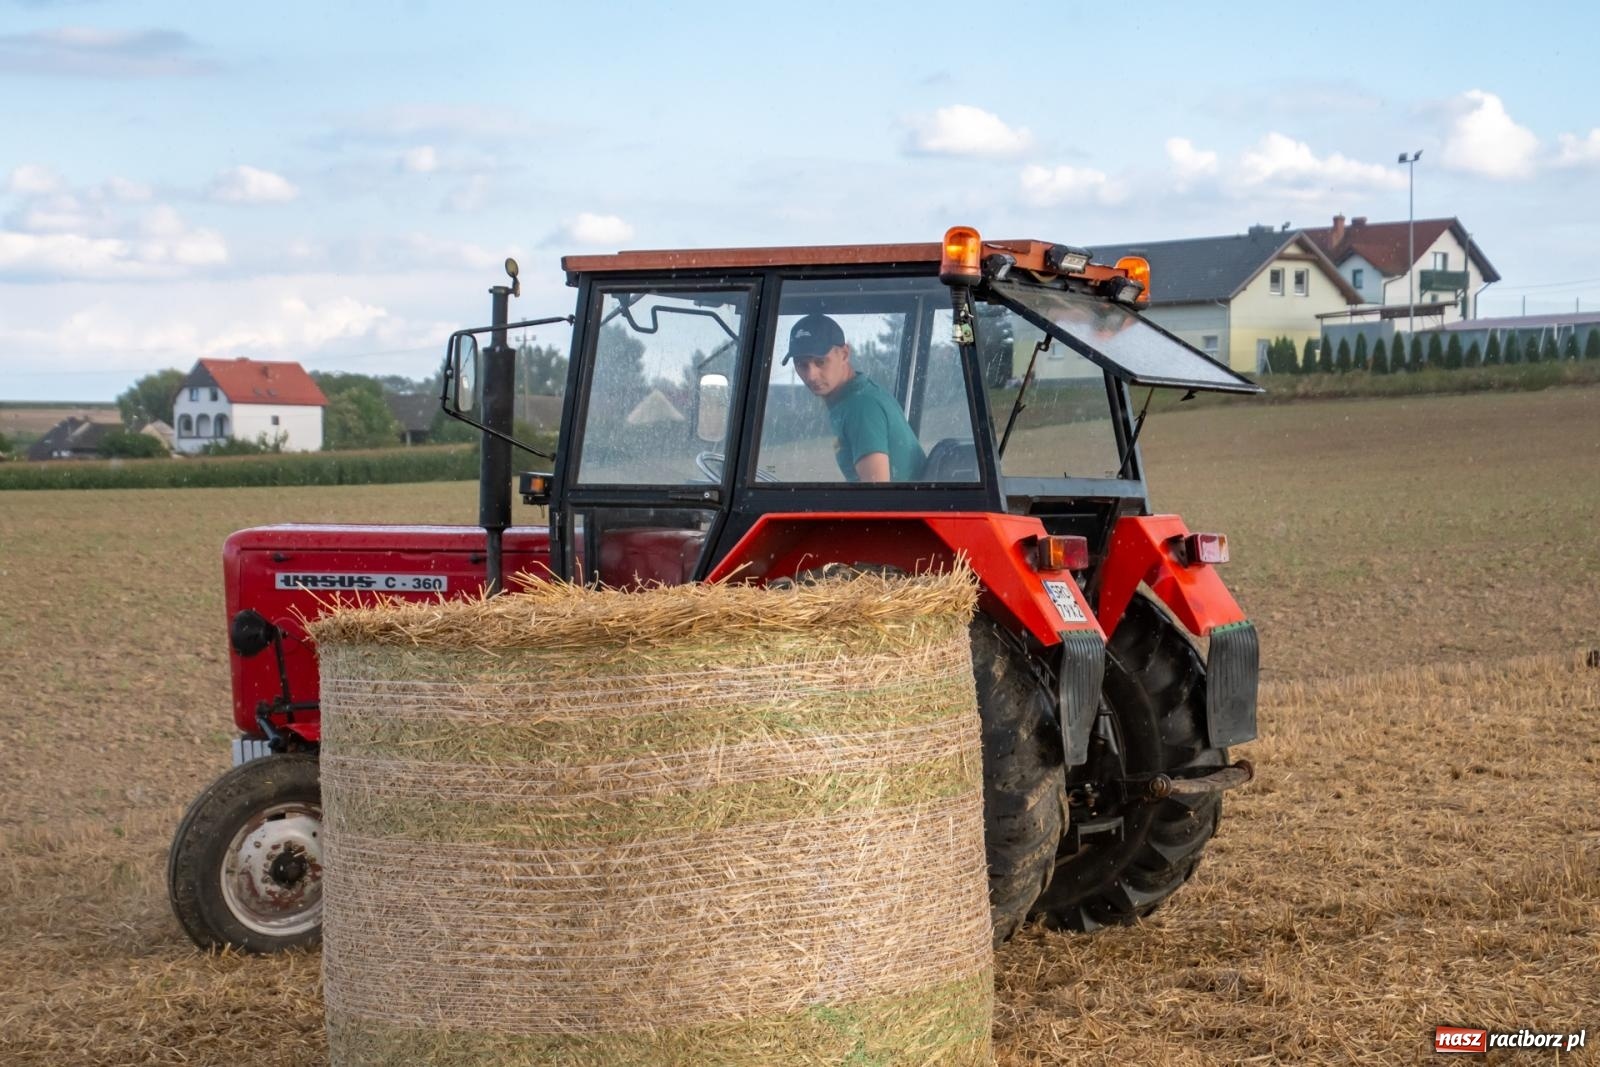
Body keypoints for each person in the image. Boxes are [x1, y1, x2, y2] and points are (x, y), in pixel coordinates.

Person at [783, 313, 925, 483]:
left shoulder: (860, 407)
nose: (811, 375)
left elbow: (876, 499)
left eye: (820, 362)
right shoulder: (854, 398)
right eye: (801, 364)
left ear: (844, 354)